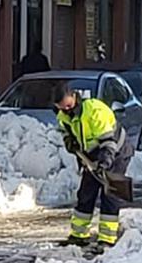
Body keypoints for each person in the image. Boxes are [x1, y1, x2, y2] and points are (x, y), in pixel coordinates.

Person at [54, 82, 135, 247]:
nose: (66, 110)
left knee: (110, 193)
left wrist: (105, 162)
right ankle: (79, 234)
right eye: (62, 108)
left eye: (68, 105)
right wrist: (69, 141)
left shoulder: (94, 111)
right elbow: (66, 132)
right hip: (91, 156)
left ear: (74, 96)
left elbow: (109, 141)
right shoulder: (63, 117)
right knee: (86, 192)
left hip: (116, 152)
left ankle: (107, 238)